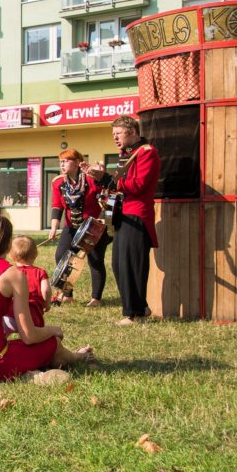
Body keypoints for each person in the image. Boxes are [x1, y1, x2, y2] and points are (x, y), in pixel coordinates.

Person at [0, 215, 93, 381]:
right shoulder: (12, 274)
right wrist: (54, 330)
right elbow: (29, 335)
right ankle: (77, 357)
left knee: (19, 345)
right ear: (8, 243)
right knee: (52, 343)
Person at [84, 116, 161, 325]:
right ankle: (141, 307)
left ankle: (133, 313)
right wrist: (98, 177)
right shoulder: (127, 154)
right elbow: (117, 186)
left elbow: (138, 185)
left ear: (132, 131)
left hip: (137, 214)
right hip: (123, 215)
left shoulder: (147, 152)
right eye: (113, 134)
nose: (114, 138)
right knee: (119, 264)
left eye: (118, 133)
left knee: (131, 266)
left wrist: (107, 178)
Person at [48, 149, 108, 306]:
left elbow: (107, 198)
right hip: (71, 225)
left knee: (95, 260)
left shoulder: (91, 179)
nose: (62, 164)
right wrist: (54, 227)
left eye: (66, 161)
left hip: (93, 227)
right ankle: (67, 294)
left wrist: (102, 221)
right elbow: (56, 206)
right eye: (60, 161)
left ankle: (96, 298)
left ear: (77, 162)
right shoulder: (58, 182)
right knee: (62, 256)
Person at [7, 236, 50, 330]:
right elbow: (46, 290)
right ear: (36, 254)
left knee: (3, 333)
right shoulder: (40, 272)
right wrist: (47, 304)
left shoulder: (10, 271)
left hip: (12, 312)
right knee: (37, 339)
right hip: (33, 314)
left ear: (11, 256)